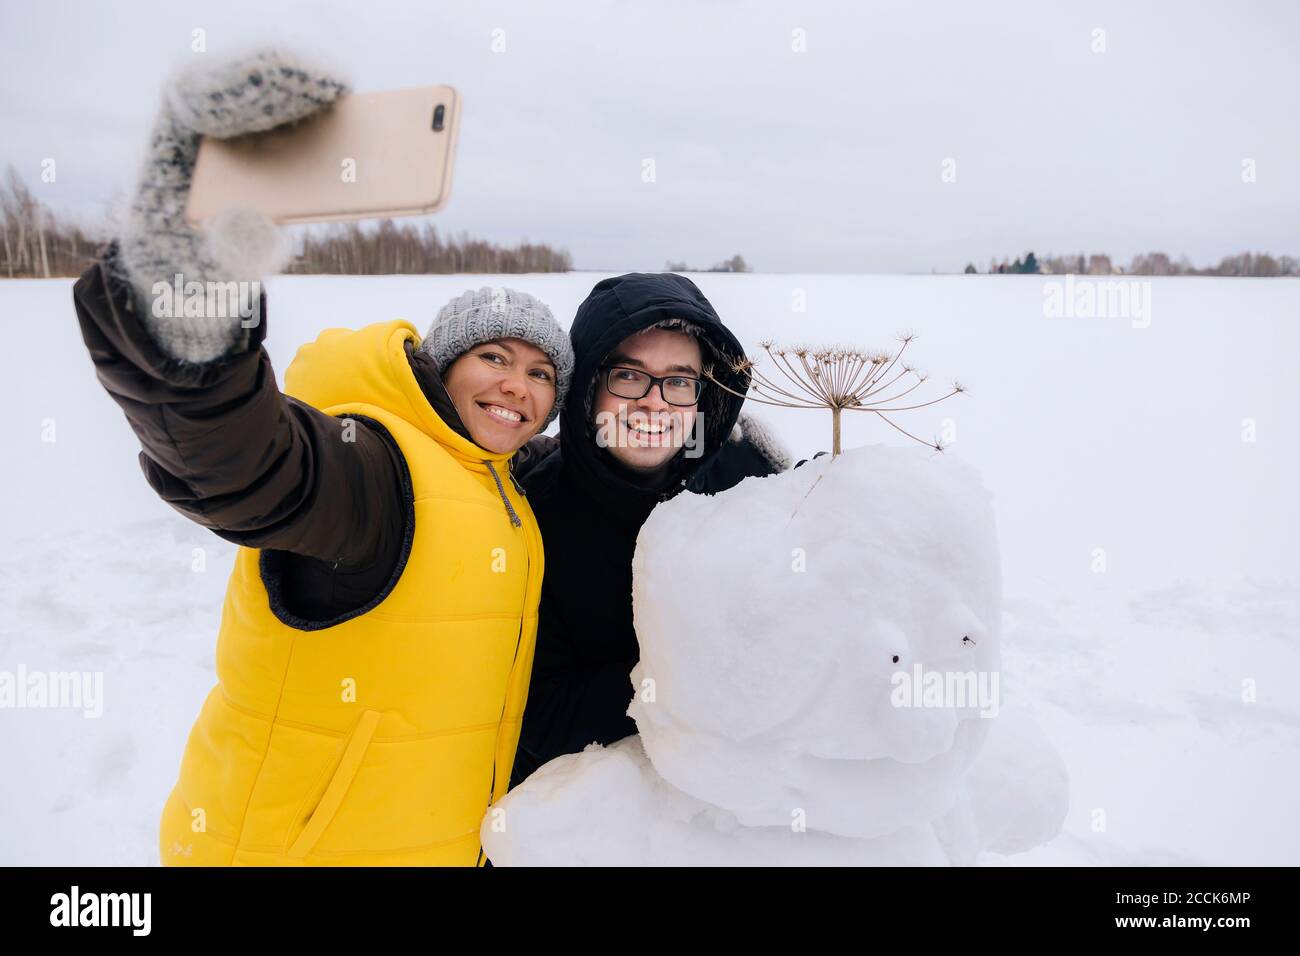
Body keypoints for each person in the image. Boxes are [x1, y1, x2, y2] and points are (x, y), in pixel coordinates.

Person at [71, 48, 573, 866]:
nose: (517, 385)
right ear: (442, 370)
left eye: (541, 372)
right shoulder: (375, 467)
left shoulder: (501, 486)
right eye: (494, 358)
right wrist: (184, 318)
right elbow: (251, 470)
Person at [509, 272, 791, 788]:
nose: (656, 403)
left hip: (746, 798)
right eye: (629, 376)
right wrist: (685, 674)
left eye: (680, 381)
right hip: (595, 808)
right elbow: (541, 717)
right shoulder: (534, 518)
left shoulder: (743, 475)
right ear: (590, 384)